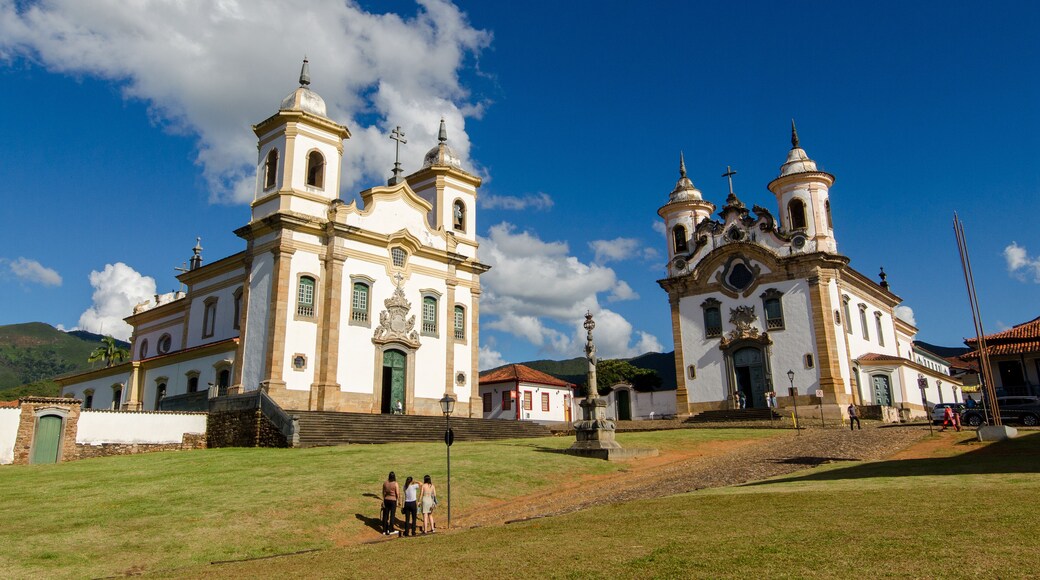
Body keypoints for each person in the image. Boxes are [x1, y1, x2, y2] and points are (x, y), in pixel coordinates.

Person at [381, 471, 400, 535]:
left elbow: (383, 492)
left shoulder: (385, 483)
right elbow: (397, 493)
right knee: (392, 515)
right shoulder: (395, 484)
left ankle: (384, 529)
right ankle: (391, 529)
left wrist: (383, 500)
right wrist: (398, 500)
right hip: (393, 500)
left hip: (386, 500)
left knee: (385, 515)